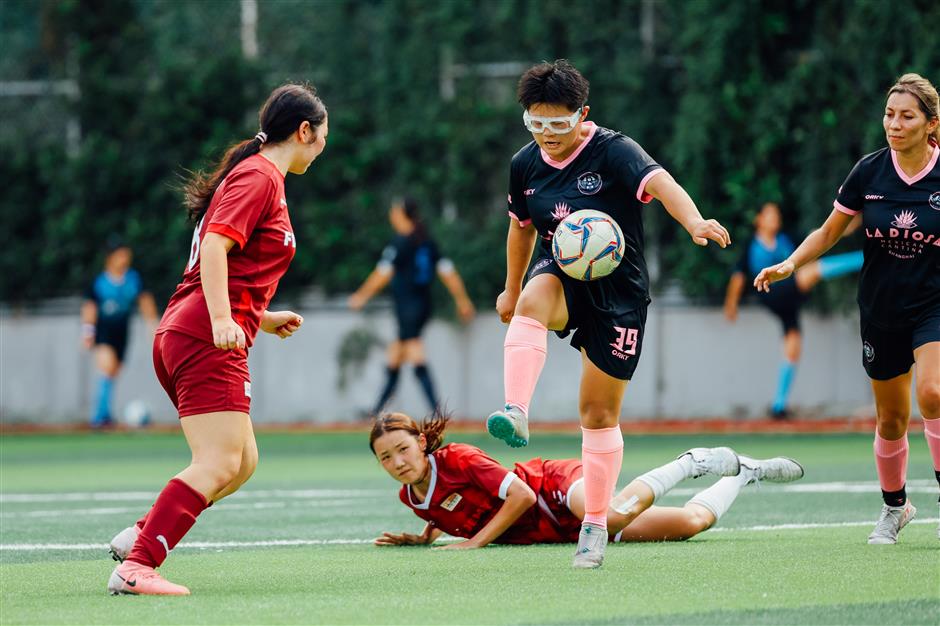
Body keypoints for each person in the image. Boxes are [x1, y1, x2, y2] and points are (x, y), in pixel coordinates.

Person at [485, 59, 731, 568]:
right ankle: (515, 410)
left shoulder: (613, 150)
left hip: (620, 294)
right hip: (562, 274)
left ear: (583, 115)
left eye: (558, 123)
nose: (547, 134)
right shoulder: (524, 164)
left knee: (598, 414)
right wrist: (510, 289)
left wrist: (695, 221)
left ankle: (595, 525)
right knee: (533, 299)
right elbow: (521, 228)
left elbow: (661, 184)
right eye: (536, 123)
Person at [106, 83, 328, 595]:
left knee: (242, 461)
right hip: (204, 334)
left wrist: (261, 317)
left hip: (195, 329)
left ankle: (142, 533)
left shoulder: (258, 176)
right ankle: (136, 566)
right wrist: (225, 318)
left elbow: (234, 266)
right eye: (321, 138)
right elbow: (214, 248)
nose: (321, 150)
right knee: (221, 461)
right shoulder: (259, 176)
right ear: (303, 131)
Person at [754, 73, 940, 545]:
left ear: (931, 124)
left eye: (906, 116)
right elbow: (830, 231)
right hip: (881, 310)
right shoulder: (870, 171)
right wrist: (791, 263)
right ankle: (895, 508)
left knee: (934, 393)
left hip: (933, 307)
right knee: (892, 419)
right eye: (889, 114)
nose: (894, 124)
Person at [370, 413, 804, 549]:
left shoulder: (459, 458)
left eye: (402, 450)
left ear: (422, 442)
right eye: (386, 458)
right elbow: (447, 507)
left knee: (610, 518)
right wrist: (426, 536)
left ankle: (692, 462)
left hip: (552, 486)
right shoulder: (411, 497)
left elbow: (520, 495)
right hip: (557, 530)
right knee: (693, 524)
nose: (397, 462)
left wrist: (473, 544)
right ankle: (747, 473)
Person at [724, 201, 863, 419]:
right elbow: (739, 276)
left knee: (793, 344)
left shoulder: (787, 238)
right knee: (812, 271)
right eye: (769, 214)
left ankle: (779, 406)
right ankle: (864, 259)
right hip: (771, 294)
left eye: (776, 214)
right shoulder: (751, 245)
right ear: (758, 220)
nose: (775, 218)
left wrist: (848, 225)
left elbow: (823, 235)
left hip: (790, 299)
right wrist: (731, 304)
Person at [348, 197, 475, 416]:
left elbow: (382, 274)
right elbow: (448, 272)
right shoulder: (426, 240)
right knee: (395, 356)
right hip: (421, 305)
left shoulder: (401, 242)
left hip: (409, 308)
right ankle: (376, 411)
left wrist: (361, 296)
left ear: (401, 215)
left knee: (415, 354)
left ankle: (437, 413)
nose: (391, 216)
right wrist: (462, 299)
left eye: (394, 212)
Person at [81, 238, 159, 428]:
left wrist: (153, 327)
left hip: (122, 331)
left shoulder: (133, 279)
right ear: (110, 258)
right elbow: (90, 307)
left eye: (126, 255)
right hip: (104, 332)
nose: (124, 259)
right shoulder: (100, 282)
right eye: (120, 255)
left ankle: (105, 414)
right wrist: (88, 331)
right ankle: (99, 417)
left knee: (114, 371)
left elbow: (145, 301)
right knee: (106, 367)